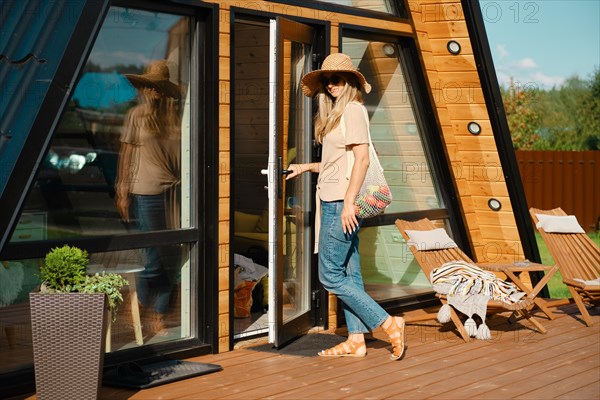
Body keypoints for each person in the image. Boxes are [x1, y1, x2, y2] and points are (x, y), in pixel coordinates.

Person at [286, 53, 406, 360]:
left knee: (329, 276)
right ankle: (356, 339)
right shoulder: (338, 115)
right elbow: (336, 162)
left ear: (351, 81)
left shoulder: (353, 110)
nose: (330, 85)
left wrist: (349, 203)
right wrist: (305, 167)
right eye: (327, 81)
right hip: (334, 198)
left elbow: (362, 159)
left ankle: (387, 322)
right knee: (349, 274)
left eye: (336, 79)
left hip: (341, 203)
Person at [115, 60, 181, 335]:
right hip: (146, 193)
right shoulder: (136, 116)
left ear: (165, 90)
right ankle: (140, 304)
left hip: (176, 194)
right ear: (143, 88)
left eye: (158, 87)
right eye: (148, 86)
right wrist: (122, 190)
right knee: (153, 257)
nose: (153, 91)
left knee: (174, 257)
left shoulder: (177, 117)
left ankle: (158, 312)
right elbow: (126, 154)